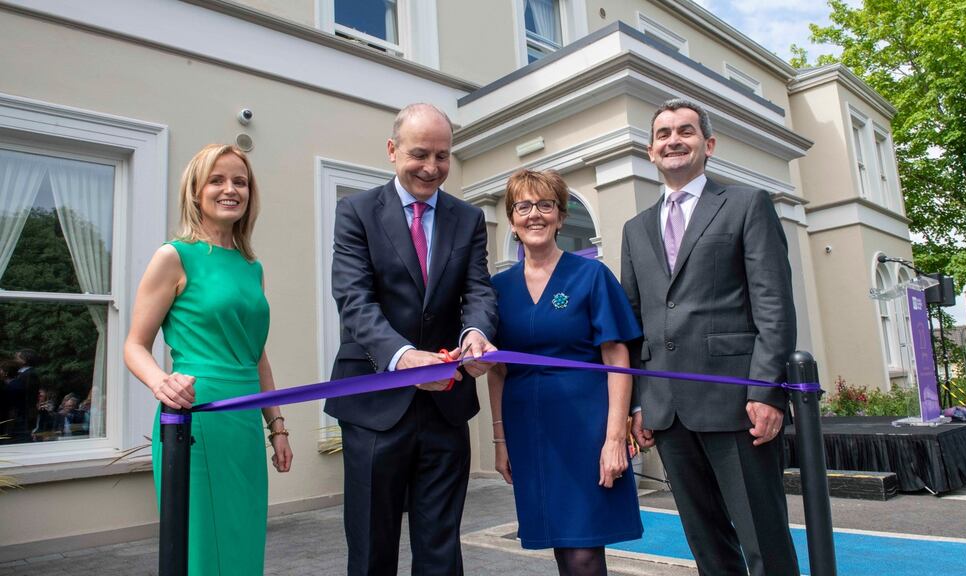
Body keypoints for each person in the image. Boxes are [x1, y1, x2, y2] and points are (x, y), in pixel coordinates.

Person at [620, 99, 800, 576]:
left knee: (764, 539)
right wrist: (640, 401)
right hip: (668, 410)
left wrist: (767, 391)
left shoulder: (747, 204)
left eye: (685, 131)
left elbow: (774, 307)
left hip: (737, 402)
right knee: (706, 545)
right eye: (662, 134)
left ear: (709, 144)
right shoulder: (635, 229)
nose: (673, 140)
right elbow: (634, 321)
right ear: (651, 150)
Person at [324, 103, 498, 576]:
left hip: (447, 406)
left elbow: (478, 290)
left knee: (441, 548)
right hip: (375, 405)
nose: (432, 167)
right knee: (371, 549)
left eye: (443, 156)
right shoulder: (355, 212)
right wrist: (402, 358)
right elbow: (353, 299)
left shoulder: (468, 219)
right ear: (392, 150)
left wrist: (476, 334)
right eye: (420, 154)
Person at [124, 144, 293, 575]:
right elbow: (134, 346)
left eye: (240, 181)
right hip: (194, 417)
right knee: (200, 547)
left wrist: (277, 427)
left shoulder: (251, 267)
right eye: (217, 180)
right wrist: (161, 381)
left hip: (244, 423)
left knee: (243, 542)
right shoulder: (174, 256)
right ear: (195, 190)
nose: (230, 189)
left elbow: (256, 356)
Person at [487, 170, 642, 576]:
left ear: (559, 215)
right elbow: (497, 370)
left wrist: (614, 440)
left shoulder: (591, 276)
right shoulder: (496, 289)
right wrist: (500, 440)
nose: (534, 214)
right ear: (512, 218)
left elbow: (617, 359)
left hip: (586, 430)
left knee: (584, 550)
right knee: (560, 543)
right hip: (530, 432)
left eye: (545, 205)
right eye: (523, 206)